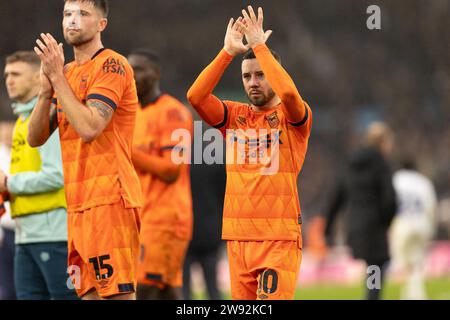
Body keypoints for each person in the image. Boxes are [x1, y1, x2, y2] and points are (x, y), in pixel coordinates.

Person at [187, 6, 313, 300]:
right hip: (237, 237)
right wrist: (226, 53)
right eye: (247, 77)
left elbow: (291, 95)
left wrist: (259, 45)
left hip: (277, 238)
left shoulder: (293, 119)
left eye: (260, 75)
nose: (253, 82)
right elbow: (196, 96)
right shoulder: (234, 116)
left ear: (273, 74)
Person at [27, 0, 142, 300]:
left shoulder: (112, 65)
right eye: (67, 14)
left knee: (116, 296)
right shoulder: (64, 73)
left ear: (101, 24)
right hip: (78, 205)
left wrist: (57, 80)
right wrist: (44, 89)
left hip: (110, 201)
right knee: (87, 295)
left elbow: (91, 127)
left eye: (83, 14)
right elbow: (35, 138)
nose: (72, 21)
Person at [1, 51, 77, 300]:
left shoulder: (48, 115)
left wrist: (9, 183)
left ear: (37, 78)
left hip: (53, 235)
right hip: (25, 234)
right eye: (7, 75)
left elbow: (57, 175)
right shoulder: (23, 120)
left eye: (16, 74)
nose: (9, 80)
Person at [128, 49, 193, 300]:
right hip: (139, 213)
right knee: (165, 290)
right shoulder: (130, 113)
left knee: (145, 287)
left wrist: (127, 152)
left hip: (166, 217)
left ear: (155, 74)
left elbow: (171, 170)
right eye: (129, 70)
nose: (132, 76)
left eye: (139, 70)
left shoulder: (174, 113)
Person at [324, 121, 397, 300]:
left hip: (355, 227)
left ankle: (370, 296)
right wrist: (387, 221)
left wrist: (328, 229)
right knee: (376, 267)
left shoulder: (350, 163)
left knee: (373, 267)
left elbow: (336, 197)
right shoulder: (381, 164)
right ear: (383, 142)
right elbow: (390, 199)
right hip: (374, 227)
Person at [182, 120, 226, 300]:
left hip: (184, 228)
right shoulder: (215, 156)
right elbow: (224, 194)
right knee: (213, 287)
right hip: (211, 230)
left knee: (183, 289)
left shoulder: (178, 156)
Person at [390, 159, 437, 300]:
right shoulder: (423, 182)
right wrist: (431, 229)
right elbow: (431, 207)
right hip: (421, 225)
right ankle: (416, 294)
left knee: (402, 264)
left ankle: (407, 294)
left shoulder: (395, 180)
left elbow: (388, 202)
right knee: (416, 264)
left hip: (402, 225)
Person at [0, 121, 16, 300]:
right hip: (5, 231)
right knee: (7, 287)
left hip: (25, 229)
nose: (6, 133)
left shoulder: (27, 149)